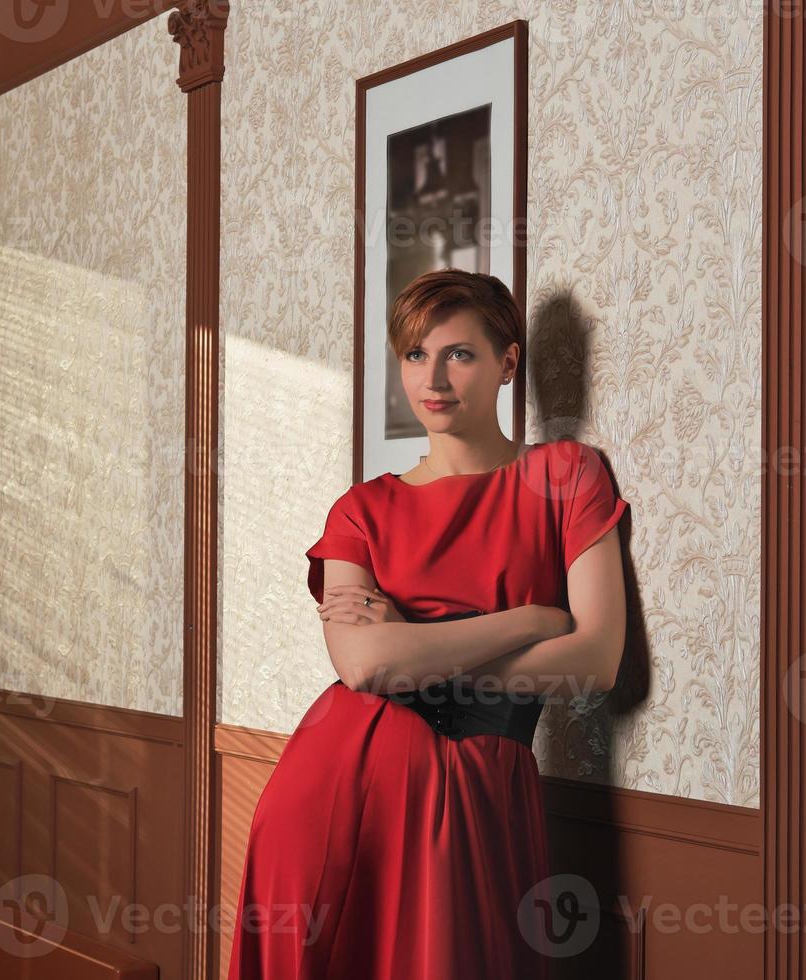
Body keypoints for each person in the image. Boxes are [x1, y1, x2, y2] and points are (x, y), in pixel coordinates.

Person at [225, 268, 630, 979]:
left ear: (508, 363)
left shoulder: (567, 476)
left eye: (459, 354)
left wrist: (413, 641)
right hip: (325, 793)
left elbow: (595, 659)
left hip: (476, 799)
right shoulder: (362, 509)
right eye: (415, 355)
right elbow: (365, 667)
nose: (433, 378)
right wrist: (529, 618)